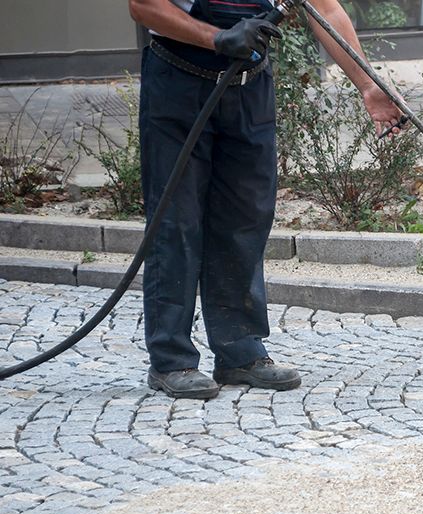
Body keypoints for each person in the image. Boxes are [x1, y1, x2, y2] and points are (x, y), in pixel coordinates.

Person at [128, 0, 404, 400]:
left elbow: (325, 9)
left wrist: (368, 85)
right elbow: (144, 7)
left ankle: (239, 352)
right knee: (176, 222)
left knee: (246, 218)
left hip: (248, 87)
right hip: (178, 83)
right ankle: (172, 360)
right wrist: (217, 37)